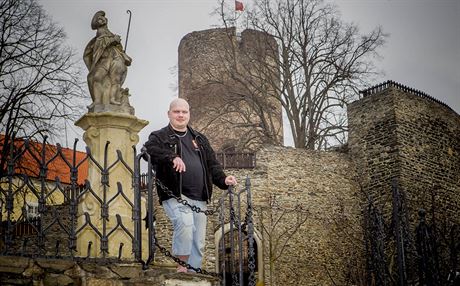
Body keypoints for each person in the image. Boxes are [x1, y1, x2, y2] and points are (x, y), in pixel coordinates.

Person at [144, 98, 237, 272]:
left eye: (184, 112)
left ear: (189, 114)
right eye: (176, 111)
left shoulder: (199, 138)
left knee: (198, 241)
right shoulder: (159, 136)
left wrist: (224, 180)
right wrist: (172, 157)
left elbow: (212, 164)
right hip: (175, 194)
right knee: (185, 224)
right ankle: (182, 268)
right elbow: (149, 150)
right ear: (169, 114)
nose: (180, 115)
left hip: (200, 197)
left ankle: (194, 276)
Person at [83, 10, 132, 108]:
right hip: (104, 60)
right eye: (99, 20)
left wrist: (118, 44)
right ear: (97, 24)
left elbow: (118, 48)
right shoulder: (100, 33)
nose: (101, 20)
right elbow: (100, 44)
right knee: (96, 77)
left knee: (116, 80)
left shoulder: (110, 33)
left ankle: (113, 99)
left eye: (102, 18)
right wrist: (113, 40)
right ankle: (97, 101)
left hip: (115, 59)